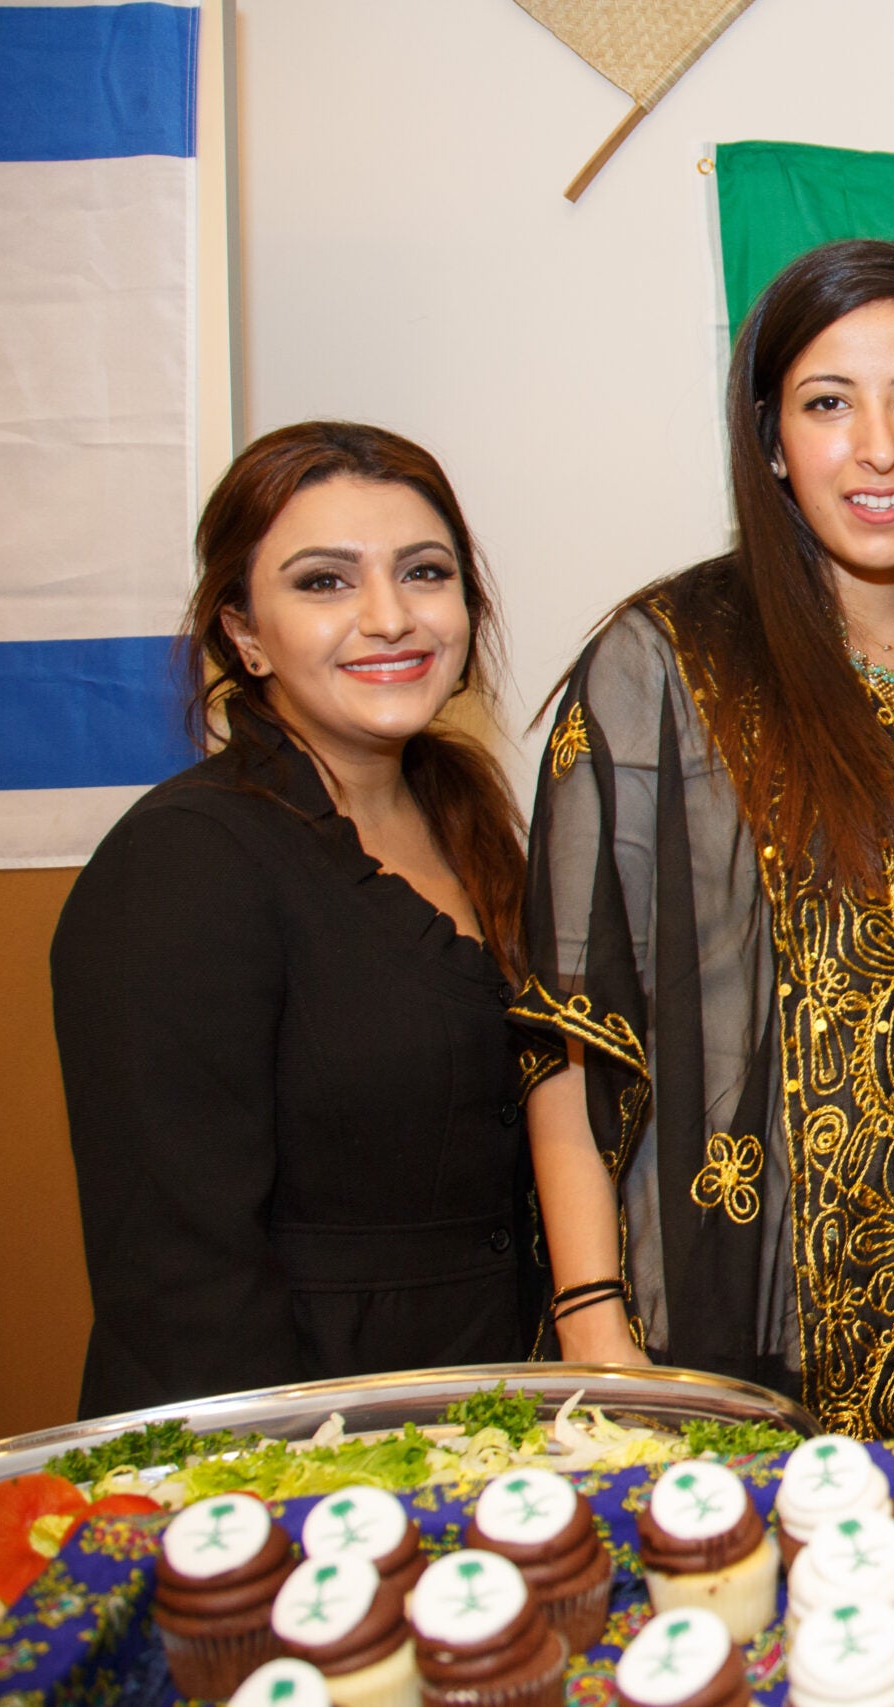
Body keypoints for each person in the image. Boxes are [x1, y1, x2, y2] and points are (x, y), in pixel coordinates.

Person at [513, 239, 894, 1438]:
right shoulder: (665, 666)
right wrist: (593, 1327)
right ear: (770, 442)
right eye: (829, 404)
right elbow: (571, 1035)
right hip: (727, 1338)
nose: (878, 447)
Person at [52, 422, 539, 1416]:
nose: (389, 616)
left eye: (424, 572)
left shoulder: (473, 820)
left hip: (494, 1413)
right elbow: (181, 1281)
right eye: (324, 582)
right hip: (302, 1447)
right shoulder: (184, 862)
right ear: (242, 633)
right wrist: (287, 1500)